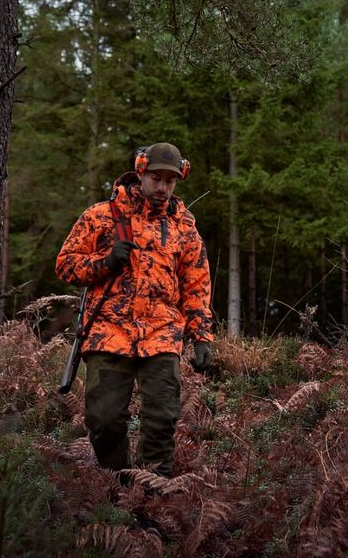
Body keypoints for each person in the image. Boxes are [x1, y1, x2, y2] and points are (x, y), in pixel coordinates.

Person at [55, 142, 214, 477]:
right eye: (156, 178)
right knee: (104, 420)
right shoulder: (100, 216)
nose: (162, 187)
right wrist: (105, 261)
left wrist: (201, 336)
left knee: (162, 418)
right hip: (108, 331)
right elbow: (66, 266)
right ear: (140, 172)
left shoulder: (185, 226)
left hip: (162, 332)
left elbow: (196, 283)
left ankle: (152, 491)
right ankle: (120, 482)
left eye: (170, 181)